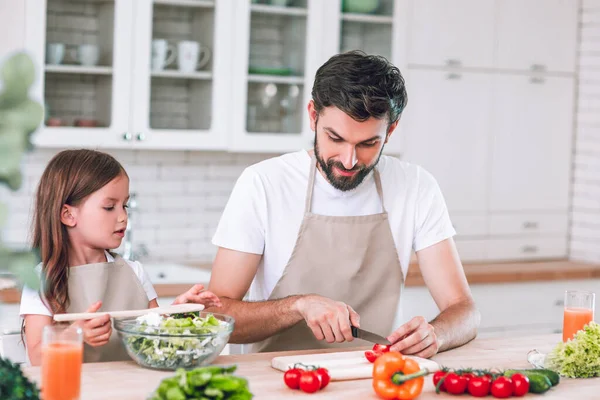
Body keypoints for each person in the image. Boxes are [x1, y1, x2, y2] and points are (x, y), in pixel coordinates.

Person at [207, 51, 480, 357]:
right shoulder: (263, 184)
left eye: (367, 144)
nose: (349, 161)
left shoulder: (415, 187)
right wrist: (298, 306)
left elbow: (464, 310)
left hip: (372, 377)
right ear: (313, 116)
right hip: (275, 381)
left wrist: (437, 334)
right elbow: (215, 318)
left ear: (390, 130)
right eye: (335, 138)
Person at [19, 149, 221, 366]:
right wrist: (77, 334)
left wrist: (179, 312)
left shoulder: (134, 272)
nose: (123, 217)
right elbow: (37, 358)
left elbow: (155, 337)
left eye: (124, 205)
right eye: (109, 207)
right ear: (68, 215)